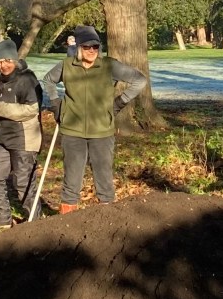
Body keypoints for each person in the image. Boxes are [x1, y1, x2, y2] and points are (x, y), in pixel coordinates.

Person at [42, 25, 147, 213]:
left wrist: (119, 103)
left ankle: (107, 220)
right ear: (79, 47)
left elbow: (139, 80)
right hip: (72, 130)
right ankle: (67, 222)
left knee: (104, 178)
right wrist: (56, 104)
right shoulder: (67, 66)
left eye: (95, 47)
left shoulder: (109, 65)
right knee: (71, 180)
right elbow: (48, 80)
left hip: (102, 131)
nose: (91, 51)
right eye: (87, 47)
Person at [0, 38, 43, 232]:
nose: (3, 65)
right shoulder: (3, 81)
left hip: (25, 140)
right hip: (5, 140)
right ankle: (2, 218)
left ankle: (36, 222)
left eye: (7, 60)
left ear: (15, 60)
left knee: (23, 182)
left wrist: (0, 108)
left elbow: (31, 110)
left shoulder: (27, 79)